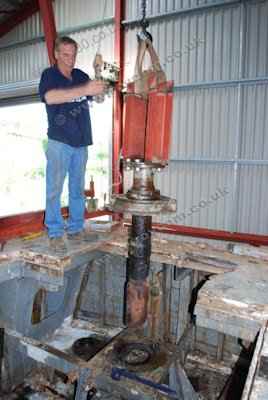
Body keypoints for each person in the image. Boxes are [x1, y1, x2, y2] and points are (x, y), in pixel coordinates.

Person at [39, 36, 106, 250]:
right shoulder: (50, 75)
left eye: (73, 55)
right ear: (56, 54)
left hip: (81, 141)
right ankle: (55, 232)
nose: (70, 59)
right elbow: (51, 98)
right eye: (65, 55)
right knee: (54, 189)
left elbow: (98, 98)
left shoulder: (80, 76)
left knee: (77, 188)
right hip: (59, 141)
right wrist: (84, 90)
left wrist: (97, 75)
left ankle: (76, 228)